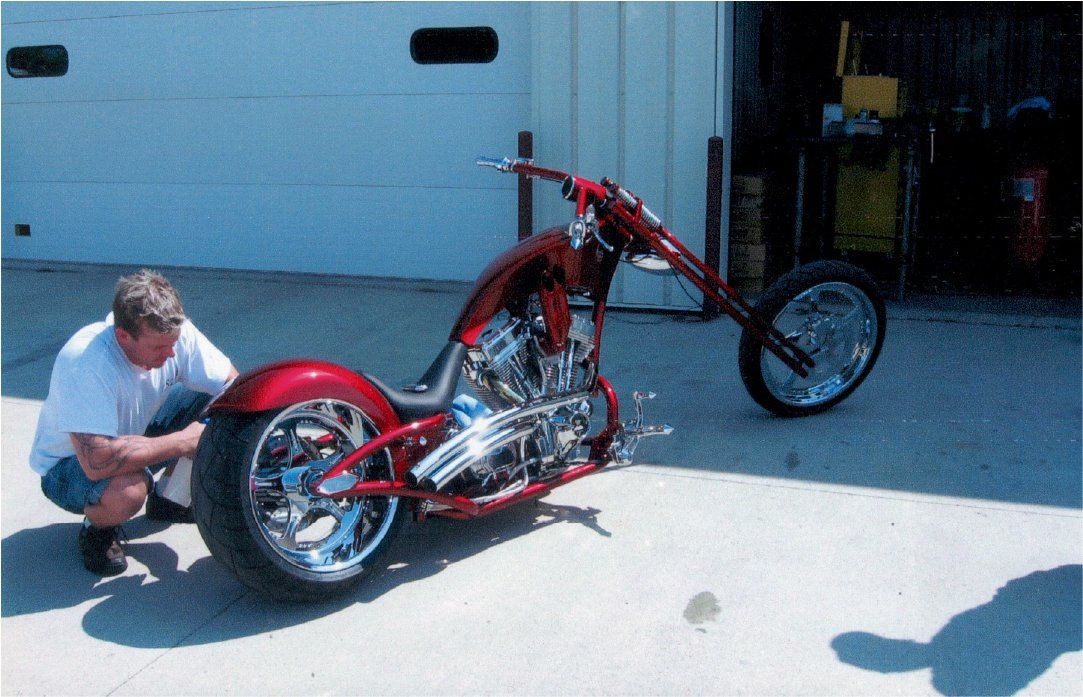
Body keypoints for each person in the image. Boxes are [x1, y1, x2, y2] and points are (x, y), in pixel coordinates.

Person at [30, 269, 239, 576]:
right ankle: (97, 529)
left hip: (132, 437)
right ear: (123, 336)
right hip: (69, 467)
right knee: (128, 492)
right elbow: (96, 461)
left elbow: (233, 385)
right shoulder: (85, 362)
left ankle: (171, 498)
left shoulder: (173, 333)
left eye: (173, 343)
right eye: (158, 348)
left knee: (223, 404)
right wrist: (182, 441)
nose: (171, 353)